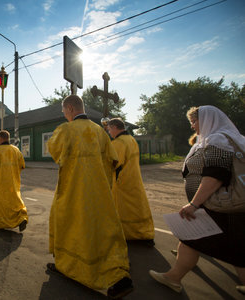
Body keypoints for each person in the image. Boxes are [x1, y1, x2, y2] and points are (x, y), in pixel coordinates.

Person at [149, 105, 245, 295]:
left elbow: (216, 175)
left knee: (191, 237)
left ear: (209, 119)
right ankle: (174, 277)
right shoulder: (223, 138)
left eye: (194, 121)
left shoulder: (218, 139)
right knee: (237, 246)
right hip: (222, 205)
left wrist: (194, 203)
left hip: (216, 204)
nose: (192, 126)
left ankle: (173, 278)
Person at [47, 95, 133, 299]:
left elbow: (53, 150)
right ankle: (118, 275)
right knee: (101, 230)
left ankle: (67, 265)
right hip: (99, 192)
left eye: (63, 111)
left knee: (70, 226)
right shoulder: (100, 132)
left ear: (69, 108)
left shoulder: (65, 130)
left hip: (73, 190)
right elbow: (113, 160)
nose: (63, 114)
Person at [106, 118, 155, 245]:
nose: (109, 132)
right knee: (137, 207)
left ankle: (129, 235)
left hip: (122, 181)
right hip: (134, 178)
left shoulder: (118, 143)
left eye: (109, 129)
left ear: (115, 127)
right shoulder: (131, 139)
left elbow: (113, 163)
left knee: (125, 209)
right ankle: (144, 233)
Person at [0, 130, 28, 232]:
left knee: (0, 205)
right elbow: (22, 165)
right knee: (15, 202)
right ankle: (22, 218)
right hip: (13, 182)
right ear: (8, 138)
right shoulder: (16, 150)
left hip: (0, 183)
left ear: (0, 138)